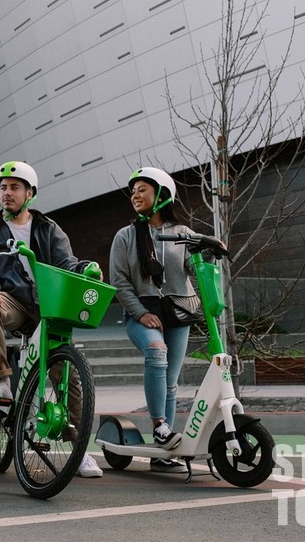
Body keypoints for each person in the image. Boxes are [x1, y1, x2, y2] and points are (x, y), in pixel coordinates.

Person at [0, 160, 103, 478]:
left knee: (69, 378)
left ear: (30, 194)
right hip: (13, 302)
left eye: (14, 187)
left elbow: (66, 262)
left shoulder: (48, 229)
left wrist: (85, 269)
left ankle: (79, 450)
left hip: (48, 306)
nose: (7, 192)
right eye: (3, 188)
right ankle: (2, 381)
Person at [109, 167, 204, 472]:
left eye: (142, 190)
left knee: (171, 383)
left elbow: (197, 268)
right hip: (142, 311)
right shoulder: (125, 236)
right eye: (133, 191)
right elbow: (119, 282)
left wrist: (210, 251)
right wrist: (141, 313)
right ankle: (160, 425)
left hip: (177, 311)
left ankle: (163, 454)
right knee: (156, 351)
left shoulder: (183, 234)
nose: (135, 195)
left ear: (162, 195)